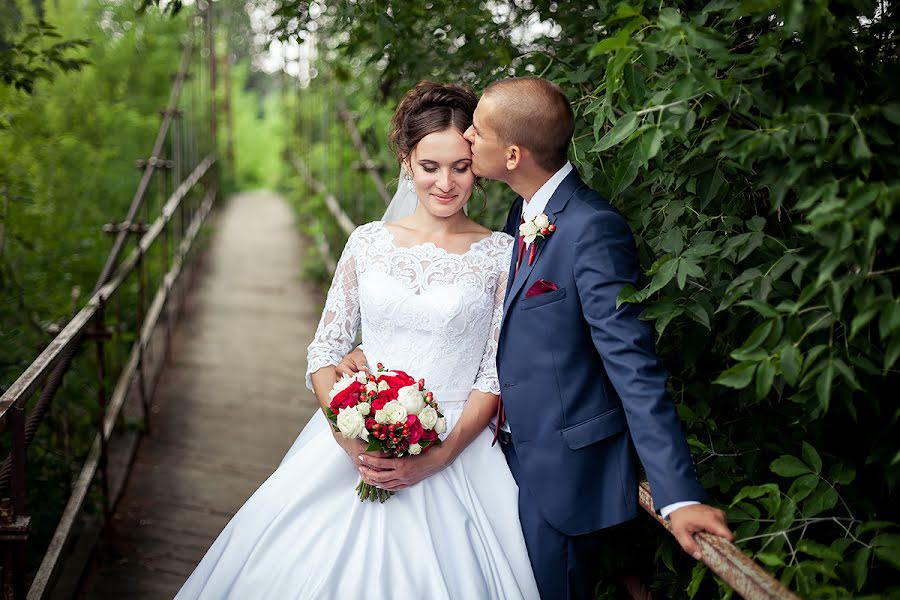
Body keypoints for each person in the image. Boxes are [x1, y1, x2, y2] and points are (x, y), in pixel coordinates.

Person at [345, 77, 734, 599]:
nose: (466, 141)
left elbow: (633, 366)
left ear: (510, 154)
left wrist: (678, 496)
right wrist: (375, 349)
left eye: (475, 134)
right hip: (501, 463)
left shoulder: (592, 228)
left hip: (561, 473)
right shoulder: (523, 214)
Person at [173, 81, 540, 599]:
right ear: (406, 162)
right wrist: (351, 438)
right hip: (355, 438)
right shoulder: (367, 242)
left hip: (457, 448)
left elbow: (491, 373)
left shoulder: (501, 254)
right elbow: (325, 349)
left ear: (477, 166)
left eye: (460, 166)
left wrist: (438, 456)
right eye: (429, 166)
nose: (445, 183)